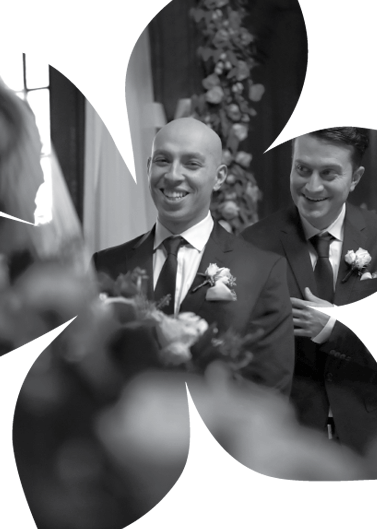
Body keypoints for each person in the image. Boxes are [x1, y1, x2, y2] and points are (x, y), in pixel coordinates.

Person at [92, 117, 294, 395]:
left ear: (219, 177)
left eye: (191, 164)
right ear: (149, 168)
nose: (173, 175)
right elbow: (92, 369)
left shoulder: (262, 270)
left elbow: (270, 388)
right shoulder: (107, 265)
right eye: (163, 160)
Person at [241, 128, 377, 454]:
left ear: (355, 178)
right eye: (302, 169)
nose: (312, 186)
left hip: (371, 433)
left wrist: (335, 329)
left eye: (328, 173)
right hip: (289, 435)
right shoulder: (254, 244)